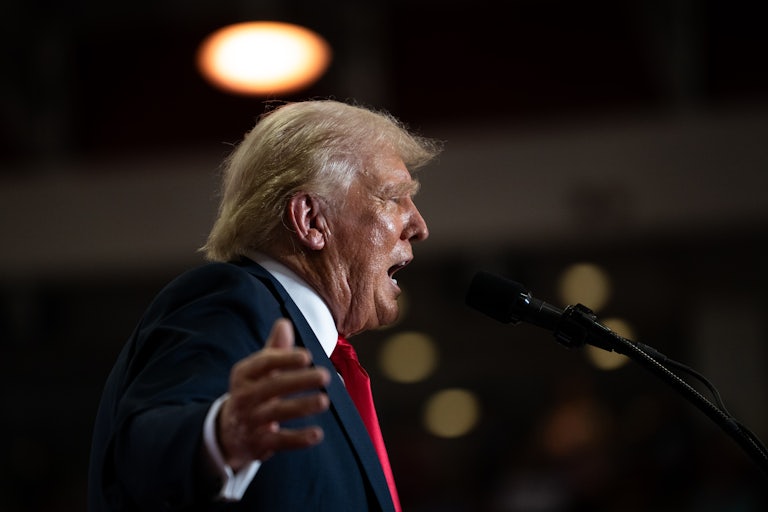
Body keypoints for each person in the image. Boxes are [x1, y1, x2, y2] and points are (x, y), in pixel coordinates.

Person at [88, 99, 442, 511]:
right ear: (311, 221)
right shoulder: (230, 298)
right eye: (394, 197)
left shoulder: (317, 357)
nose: (419, 226)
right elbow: (140, 454)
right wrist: (220, 436)